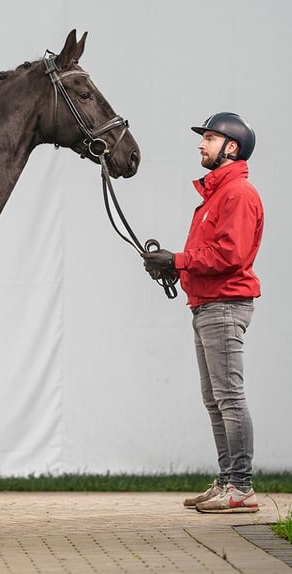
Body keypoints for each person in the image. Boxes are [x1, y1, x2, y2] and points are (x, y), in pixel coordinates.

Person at [142, 112, 264, 513]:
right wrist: (173, 264)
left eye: (210, 138)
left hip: (225, 305)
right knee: (215, 399)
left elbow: (231, 254)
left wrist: (176, 260)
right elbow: (210, 254)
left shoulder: (238, 195)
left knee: (228, 396)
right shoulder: (215, 196)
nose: (201, 144)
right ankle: (229, 480)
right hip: (208, 305)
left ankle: (241, 488)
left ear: (232, 147)